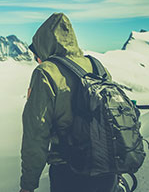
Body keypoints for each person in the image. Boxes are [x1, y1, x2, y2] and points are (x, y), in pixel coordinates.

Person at [19, 13, 117, 192]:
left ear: (45, 45)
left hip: (70, 172)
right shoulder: (97, 66)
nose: (38, 59)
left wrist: (28, 185)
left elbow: (36, 134)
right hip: (108, 170)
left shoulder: (46, 73)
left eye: (37, 55)